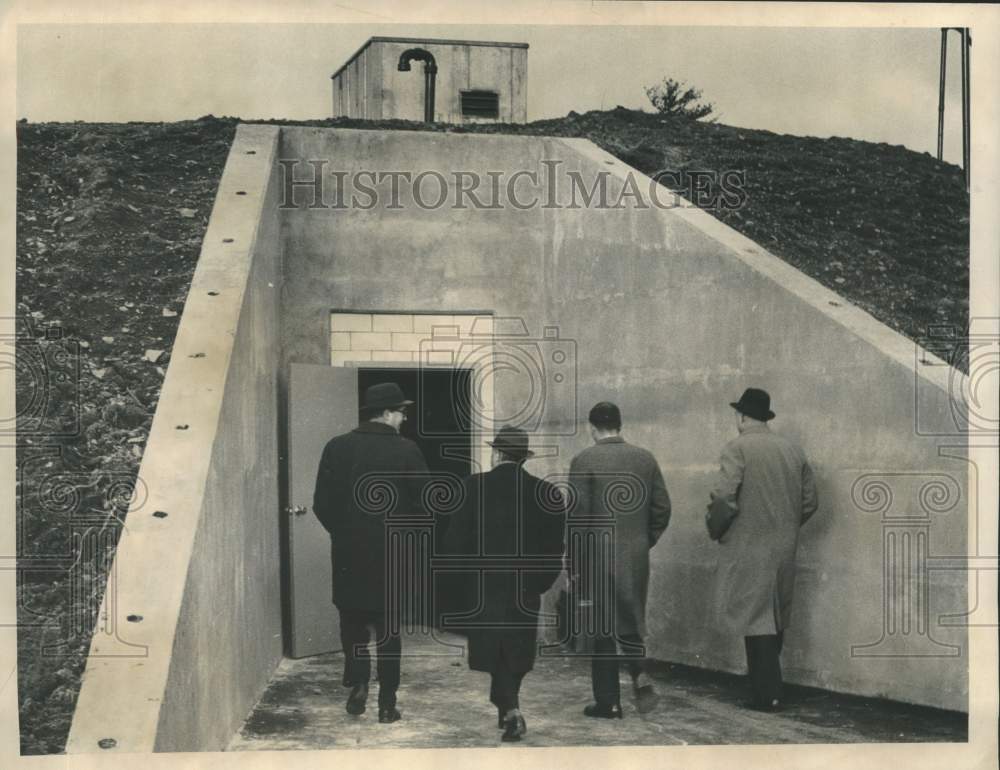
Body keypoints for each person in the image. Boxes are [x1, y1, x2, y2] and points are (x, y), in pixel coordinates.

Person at [312, 382, 430, 724]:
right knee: (389, 631)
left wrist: (345, 532)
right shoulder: (408, 450)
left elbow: (322, 503)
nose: (404, 419)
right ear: (389, 413)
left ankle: (359, 683)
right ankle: (387, 704)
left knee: (352, 624)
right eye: (402, 412)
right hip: (393, 557)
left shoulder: (337, 447)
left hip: (349, 554)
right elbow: (424, 507)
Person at [444, 425, 566, 742]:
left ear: (496, 453)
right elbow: (555, 546)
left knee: (495, 647)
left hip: (483, 584)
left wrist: (460, 582)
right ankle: (508, 705)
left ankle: (510, 709)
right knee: (517, 649)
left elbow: (454, 543)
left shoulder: (472, 487)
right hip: (525, 585)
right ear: (523, 459)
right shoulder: (546, 492)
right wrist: (540, 582)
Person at [710, 387, 819, 712]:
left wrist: (716, 528)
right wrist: (785, 527)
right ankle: (765, 688)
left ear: (742, 416)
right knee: (772, 618)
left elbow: (723, 498)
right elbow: (811, 501)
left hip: (749, 547)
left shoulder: (737, 448)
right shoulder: (792, 450)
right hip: (783, 548)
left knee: (756, 619)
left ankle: (767, 693)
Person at [568, 402, 671, 719]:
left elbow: (576, 518)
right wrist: (643, 540)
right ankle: (639, 669)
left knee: (602, 626)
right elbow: (661, 509)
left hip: (596, 555)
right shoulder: (645, 459)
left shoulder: (584, 460)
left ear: (592, 427)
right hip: (634, 555)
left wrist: (573, 564)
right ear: (620, 425)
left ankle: (608, 702)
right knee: (629, 618)